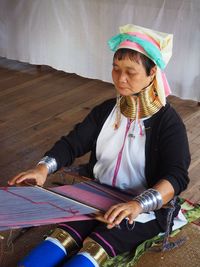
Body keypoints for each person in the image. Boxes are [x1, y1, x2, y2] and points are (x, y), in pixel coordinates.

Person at [9, 24, 190, 267]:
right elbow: (73, 143)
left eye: (130, 72)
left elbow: (176, 176)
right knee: (58, 240)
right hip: (96, 194)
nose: (120, 78)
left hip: (143, 208)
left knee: (93, 251)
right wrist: (43, 168)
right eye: (115, 69)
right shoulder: (106, 111)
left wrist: (138, 204)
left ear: (152, 72)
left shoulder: (168, 122)